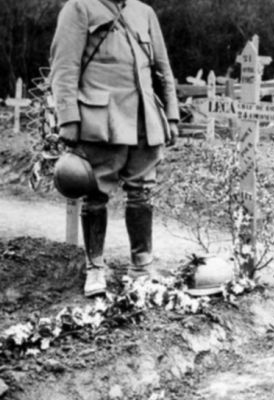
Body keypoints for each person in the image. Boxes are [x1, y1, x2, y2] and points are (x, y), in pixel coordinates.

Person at [50, 0, 180, 297]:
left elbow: (163, 68)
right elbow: (64, 67)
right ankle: (95, 267)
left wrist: (171, 115)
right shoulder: (79, 8)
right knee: (95, 193)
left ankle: (141, 267)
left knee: (142, 192)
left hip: (144, 120)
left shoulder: (144, 12)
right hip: (101, 121)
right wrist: (68, 118)